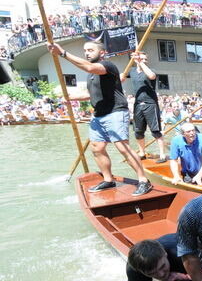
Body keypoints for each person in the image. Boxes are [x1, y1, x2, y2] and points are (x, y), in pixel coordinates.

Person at [46, 40, 152, 196]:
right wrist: (70, 98)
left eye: (90, 50)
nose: (87, 53)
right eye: (85, 50)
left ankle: (144, 181)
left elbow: (88, 66)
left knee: (122, 147)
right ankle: (108, 180)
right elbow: (91, 94)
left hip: (116, 111)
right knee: (97, 148)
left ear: (102, 53)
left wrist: (62, 53)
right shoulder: (91, 75)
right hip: (99, 115)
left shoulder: (108, 66)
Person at [129, 52, 166, 162]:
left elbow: (151, 76)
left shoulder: (151, 70)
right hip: (137, 105)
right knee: (138, 131)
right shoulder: (132, 71)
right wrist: (133, 60)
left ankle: (162, 155)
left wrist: (141, 62)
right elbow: (121, 77)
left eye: (145, 59)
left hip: (150, 104)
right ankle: (142, 153)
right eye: (142, 59)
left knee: (155, 131)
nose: (144, 61)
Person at [169, 122, 202, 186]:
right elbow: (173, 160)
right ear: (183, 134)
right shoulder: (176, 141)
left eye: (193, 130)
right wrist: (176, 176)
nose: (192, 133)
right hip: (188, 173)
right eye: (188, 131)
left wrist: (199, 176)